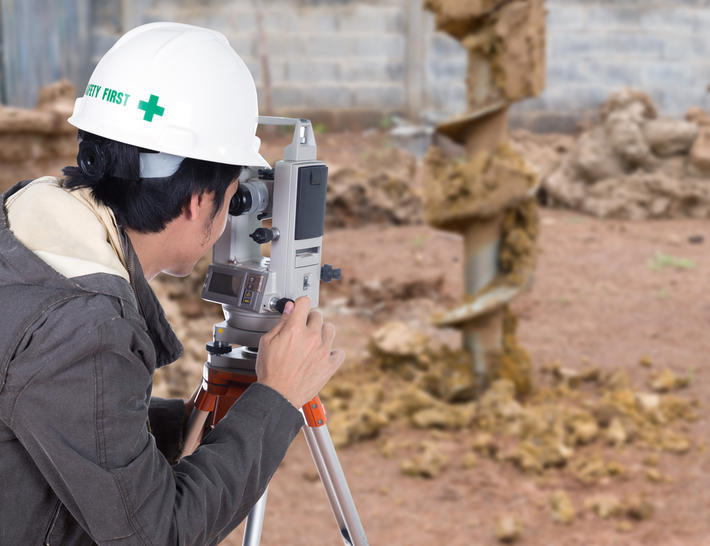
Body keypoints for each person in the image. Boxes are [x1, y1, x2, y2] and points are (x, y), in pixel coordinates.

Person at [0, 22, 344, 544]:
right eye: (233, 197)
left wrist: (179, 422)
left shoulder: (21, 233)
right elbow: (159, 535)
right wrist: (276, 399)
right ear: (197, 200)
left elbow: (48, 411)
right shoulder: (84, 330)